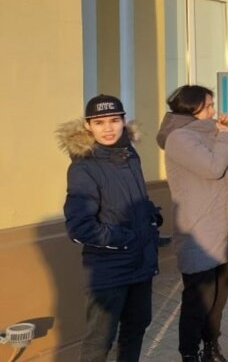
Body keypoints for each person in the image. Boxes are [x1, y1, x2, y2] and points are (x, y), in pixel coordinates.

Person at [61, 95, 161, 362]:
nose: (108, 128)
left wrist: (150, 216)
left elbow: (130, 200)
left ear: (123, 121)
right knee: (99, 342)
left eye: (114, 121)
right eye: (100, 122)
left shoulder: (130, 155)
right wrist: (124, 238)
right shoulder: (84, 167)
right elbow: (79, 227)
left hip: (140, 264)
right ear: (88, 126)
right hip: (109, 270)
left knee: (136, 328)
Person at [158, 85, 228, 362]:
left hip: (221, 226)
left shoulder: (211, 129)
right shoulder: (178, 138)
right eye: (209, 106)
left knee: (219, 297)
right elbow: (212, 168)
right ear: (192, 108)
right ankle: (190, 353)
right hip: (197, 230)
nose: (213, 111)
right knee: (198, 300)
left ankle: (211, 347)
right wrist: (223, 136)